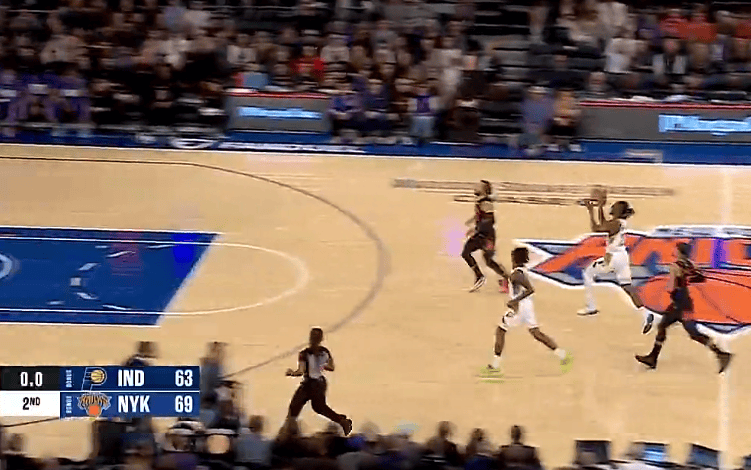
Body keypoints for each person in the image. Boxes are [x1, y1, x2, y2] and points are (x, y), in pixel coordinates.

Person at [636, 243, 732, 373]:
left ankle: (721, 354)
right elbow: (701, 278)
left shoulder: (675, 266)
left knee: (693, 333)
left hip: (680, 304)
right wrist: (687, 279)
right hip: (684, 301)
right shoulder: (691, 264)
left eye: (676, 250)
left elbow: (671, 286)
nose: (674, 251)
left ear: (679, 252)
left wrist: (669, 287)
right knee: (663, 326)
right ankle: (653, 357)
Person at [481, 247, 572, 378]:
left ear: (514, 258)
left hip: (520, 308)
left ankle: (495, 365)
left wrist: (514, 301)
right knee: (536, 333)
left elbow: (530, 289)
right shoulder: (520, 272)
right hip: (528, 307)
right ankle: (562, 355)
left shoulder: (517, 274)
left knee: (501, 330)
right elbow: (516, 283)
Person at [578, 189, 655, 334]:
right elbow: (604, 224)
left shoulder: (616, 223)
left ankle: (591, 307)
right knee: (628, 287)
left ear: (619, 211)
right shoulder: (619, 222)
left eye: (614, 206)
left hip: (613, 257)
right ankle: (646, 314)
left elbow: (597, 228)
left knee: (588, 272)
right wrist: (600, 207)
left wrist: (591, 210)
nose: (612, 207)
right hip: (623, 257)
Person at [285, 328, 353, 436]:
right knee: (319, 408)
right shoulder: (325, 352)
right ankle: (341, 420)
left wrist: (291, 373)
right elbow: (331, 367)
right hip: (320, 383)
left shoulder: (304, 353)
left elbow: (301, 371)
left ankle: (288, 432)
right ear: (321, 339)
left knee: (295, 407)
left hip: (309, 384)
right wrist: (321, 366)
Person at [461, 180, 509, 293]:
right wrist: (472, 221)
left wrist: (475, 229)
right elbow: (481, 215)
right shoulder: (480, 201)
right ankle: (479, 276)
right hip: (480, 233)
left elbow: (490, 220)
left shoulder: (486, 203)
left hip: (487, 236)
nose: (475, 187)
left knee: (489, 260)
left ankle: (506, 278)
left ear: (483, 189)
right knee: (466, 253)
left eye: (478, 186)